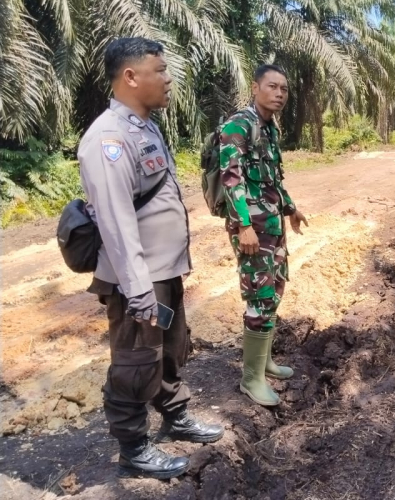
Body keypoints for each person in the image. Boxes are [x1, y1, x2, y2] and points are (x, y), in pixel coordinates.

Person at [79, 37, 223, 479]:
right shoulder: (109, 139)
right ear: (130, 77)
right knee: (135, 362)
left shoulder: (144, 125)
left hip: (164, 270)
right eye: (159, 70)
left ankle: (176, 417)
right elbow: (118, 225)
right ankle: (134, 448)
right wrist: (139, 290)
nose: (168, 78)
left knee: (169, 352)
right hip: (137, 279)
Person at [219, 64, 308, 407]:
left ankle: (265, 361)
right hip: (251, 228)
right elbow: (231, 178)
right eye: (272, 86)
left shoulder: (268, 128)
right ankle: (251, 378)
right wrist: (243, 225)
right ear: (255, 88)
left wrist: (290, 208)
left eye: (284, 89)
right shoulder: (238, 126)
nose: (280, 93)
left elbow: (271, 179)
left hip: (272, 223)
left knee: (276, 288)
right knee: (260, 294)